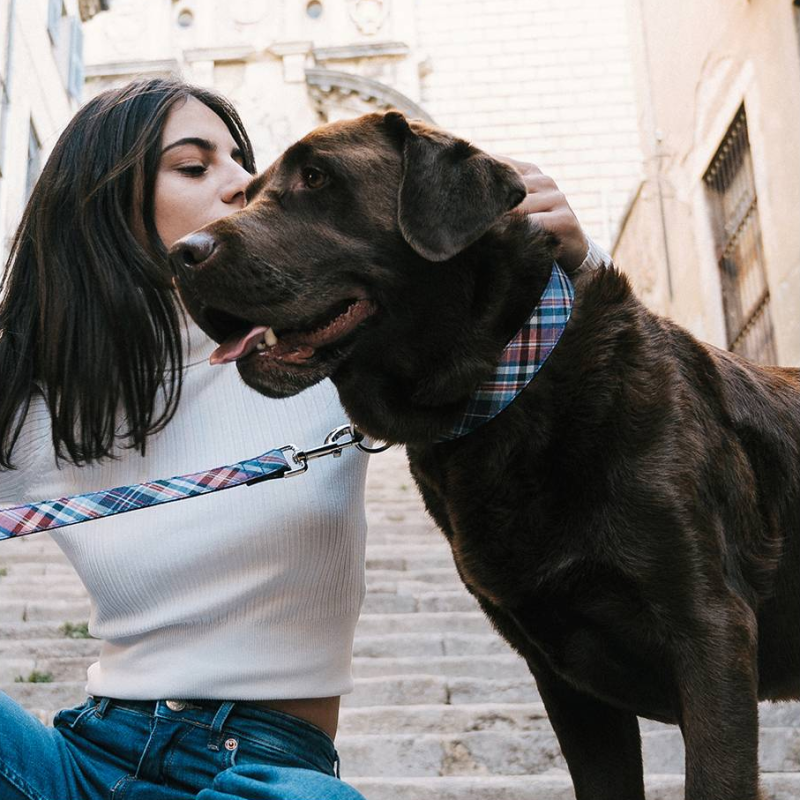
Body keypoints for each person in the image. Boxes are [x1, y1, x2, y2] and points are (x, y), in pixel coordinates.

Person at [0, 77, 609, 800]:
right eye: (196, 166)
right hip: (80, 764)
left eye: (243, 162)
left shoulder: (324, 350)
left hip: (267, 774)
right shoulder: (50, 405)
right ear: (105, 206)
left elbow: (551, 390)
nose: (242, 183)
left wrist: (581, 262)